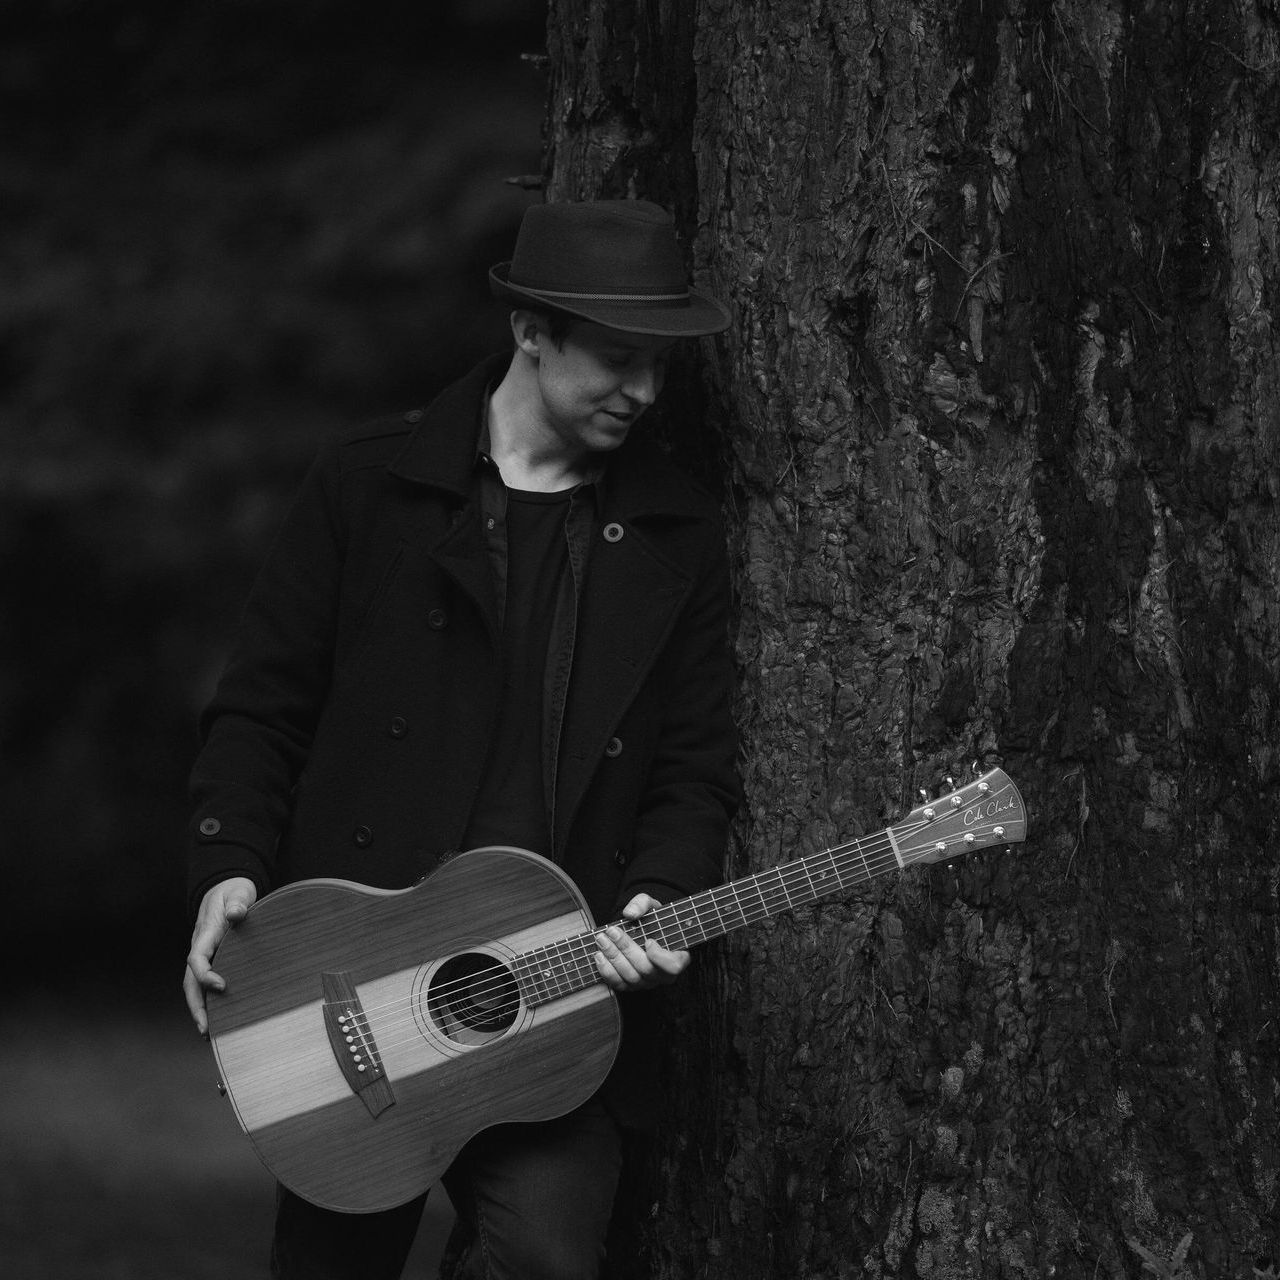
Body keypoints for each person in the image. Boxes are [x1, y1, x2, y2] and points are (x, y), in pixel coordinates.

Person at [182, 198, 740, 1279]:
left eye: (661, 366)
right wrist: (228, 863)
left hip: (554, 991)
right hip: (355, 972)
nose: (644, 392)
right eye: (619, 359)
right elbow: (261, 706)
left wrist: (658, 895)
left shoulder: (677, 533)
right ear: (531, 331)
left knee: (544, 1256)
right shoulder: (370, 486)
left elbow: (695, 764)